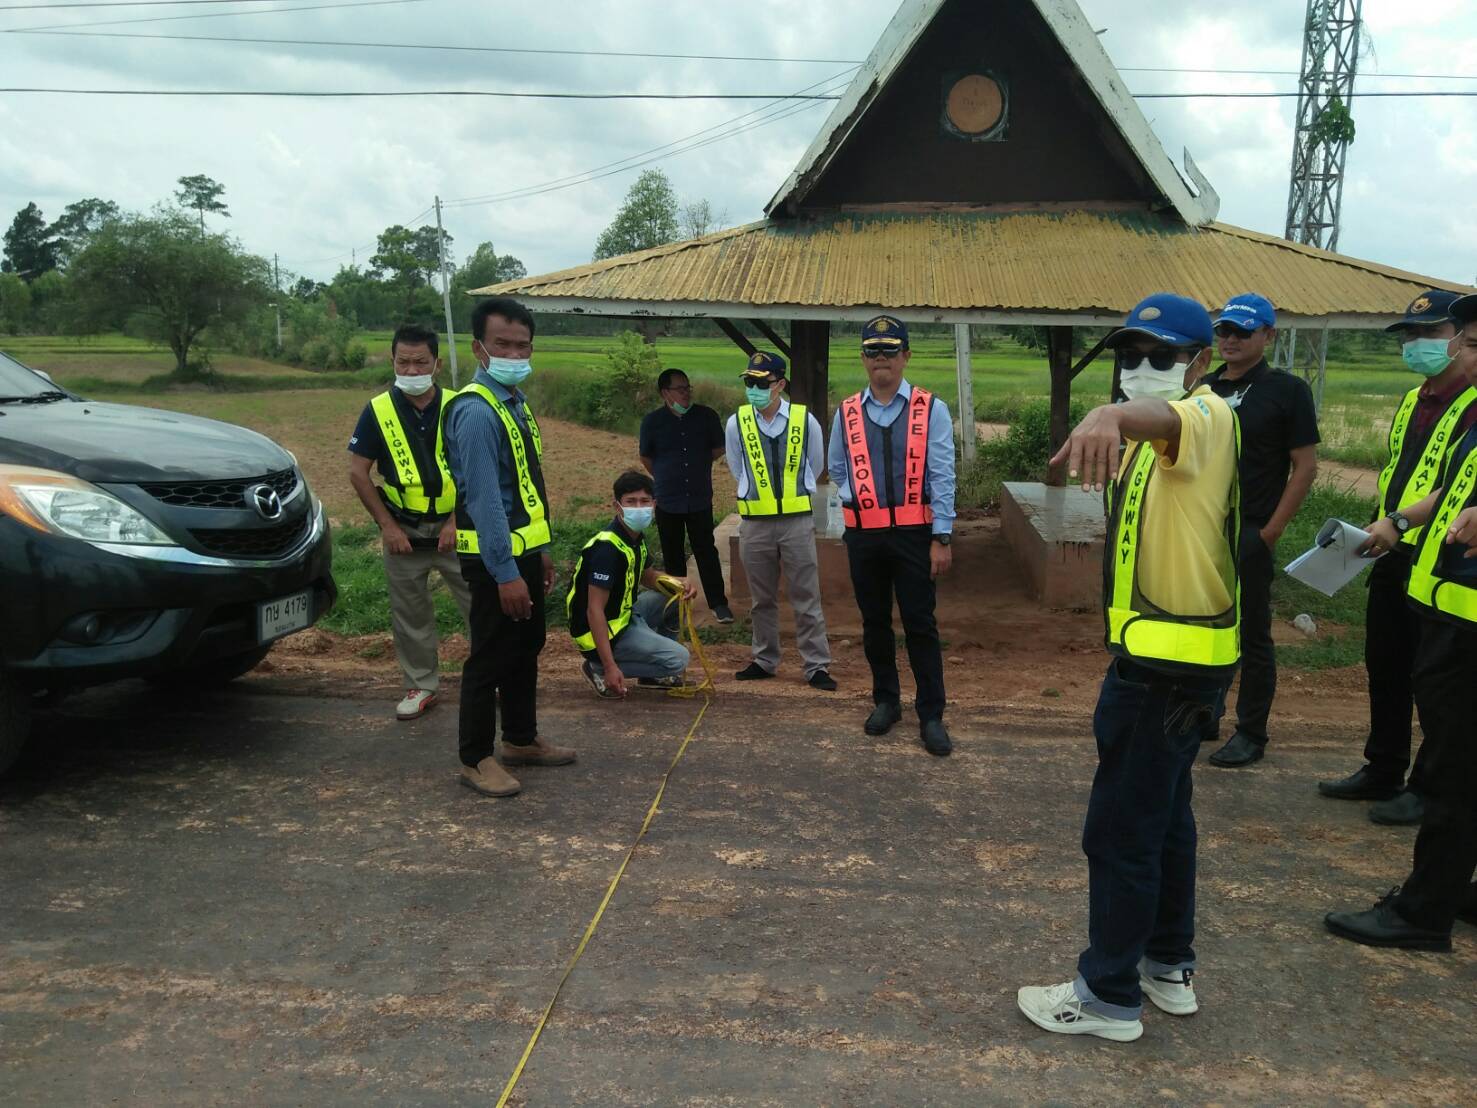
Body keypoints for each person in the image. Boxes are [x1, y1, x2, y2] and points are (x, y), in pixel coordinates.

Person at [1017, 293, 1239, 1043]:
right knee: (1166, 821)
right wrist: (1121, 421)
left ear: (1199, 362)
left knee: (1119, 832)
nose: (1141, 368)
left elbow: (1163, 418)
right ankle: (1165, 966)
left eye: (1161, 355)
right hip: (1175, 665)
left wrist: (1108, 413)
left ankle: (1106, 996)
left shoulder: (1206, 416)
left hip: (1164, 673)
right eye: (1129, 355)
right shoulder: (1152, 444)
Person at [1325, 292, 1477, 950]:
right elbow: (1452, 486)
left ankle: (1422, 914)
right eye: (1468, 340)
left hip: (1467, 620)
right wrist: (1399, 520)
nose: (1464, 352)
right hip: (1444, 601)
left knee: (1453, 774)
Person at [443, 297, 575, 799]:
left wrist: (540, 550)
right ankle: (475, 758)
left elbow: (525, 488)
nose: (514, 355)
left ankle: (520, 738)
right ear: (479, 348)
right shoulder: (477, 411)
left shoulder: (514, 403)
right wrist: (505, 572)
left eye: (523, 346)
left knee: (525, 647)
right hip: (492, 559)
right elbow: (485, 499)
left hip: (523, 552)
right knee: (490, 657)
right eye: (503, 345)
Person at [1201, 294, 1319, 769]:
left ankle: (1251, 731)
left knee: (1251, 634)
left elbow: (1305, 467)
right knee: (1205, 625)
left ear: (1268, 336)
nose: (1230, 340)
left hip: (1250, 531)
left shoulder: (1286, 391)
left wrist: (1270, 532)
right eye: (1224, 331)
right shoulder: (1204, 388)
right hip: (1201, 531)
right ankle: (1204, 711)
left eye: (1242, 332)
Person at [828, 316, 955, 755]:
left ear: (906, 356)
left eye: (890, 350)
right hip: (865, 538)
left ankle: (931, 714)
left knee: (920, 623)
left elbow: (942, 475)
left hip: (915, 537)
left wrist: (942, 536)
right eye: (873, 350)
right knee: (875, 622)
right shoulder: (847, 412)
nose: (881, 358)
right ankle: (886, 700)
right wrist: (858, 502)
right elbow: (838, 467)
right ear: (863, 358)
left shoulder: (930, 408)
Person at [347, 323, 471, 720]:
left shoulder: (460, 406)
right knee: (410, 614)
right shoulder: (378, 410)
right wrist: (388, 526)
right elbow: (358, 472)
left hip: (459, 529)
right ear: (392, 361)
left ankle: (493, 678)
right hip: (404, 531)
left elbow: (478, 468)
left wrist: (456, 520)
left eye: (420, 363)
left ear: (437, 364)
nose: (412, 371)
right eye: (404, 362)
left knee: (481, 606)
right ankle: (421, 685)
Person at [725, 351, 836, 691]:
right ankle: (764, 659)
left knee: (806, 596)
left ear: (780, 384)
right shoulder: (737, 422)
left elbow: (815, 465)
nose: (754, 389)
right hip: (755, 522)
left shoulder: (804, 420)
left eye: (762, 383)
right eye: (749, 382)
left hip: (796, 521)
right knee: (761, 599)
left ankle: (816, 665)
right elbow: (737, 468)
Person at [569, 470, 695, 698]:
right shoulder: (607, 550)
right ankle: (599, 668)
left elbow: (647, 576)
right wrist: (609, 665)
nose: (639, 507)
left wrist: (679, 584)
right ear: (617, 506)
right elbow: (594, 610)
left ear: (654, 504)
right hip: (604, 629)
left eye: (644, 501)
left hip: (624, 614)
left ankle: (652, 674)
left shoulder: (634, 537)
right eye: (631, 501)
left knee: (675, 598)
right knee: (678, 660)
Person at [639, 368, 733, 623]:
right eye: (680, 389)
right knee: (673, 553)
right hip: (667, 498)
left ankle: (718, 603)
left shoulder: (706, 416)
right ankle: (677, 605)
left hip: (699, 497)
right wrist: (666, 475)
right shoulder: (652, 422)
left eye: (687, 388)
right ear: (665, 393)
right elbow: (646, 457)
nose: (686, 393)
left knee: (706, 550)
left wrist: (697, 465)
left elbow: (718, 449)